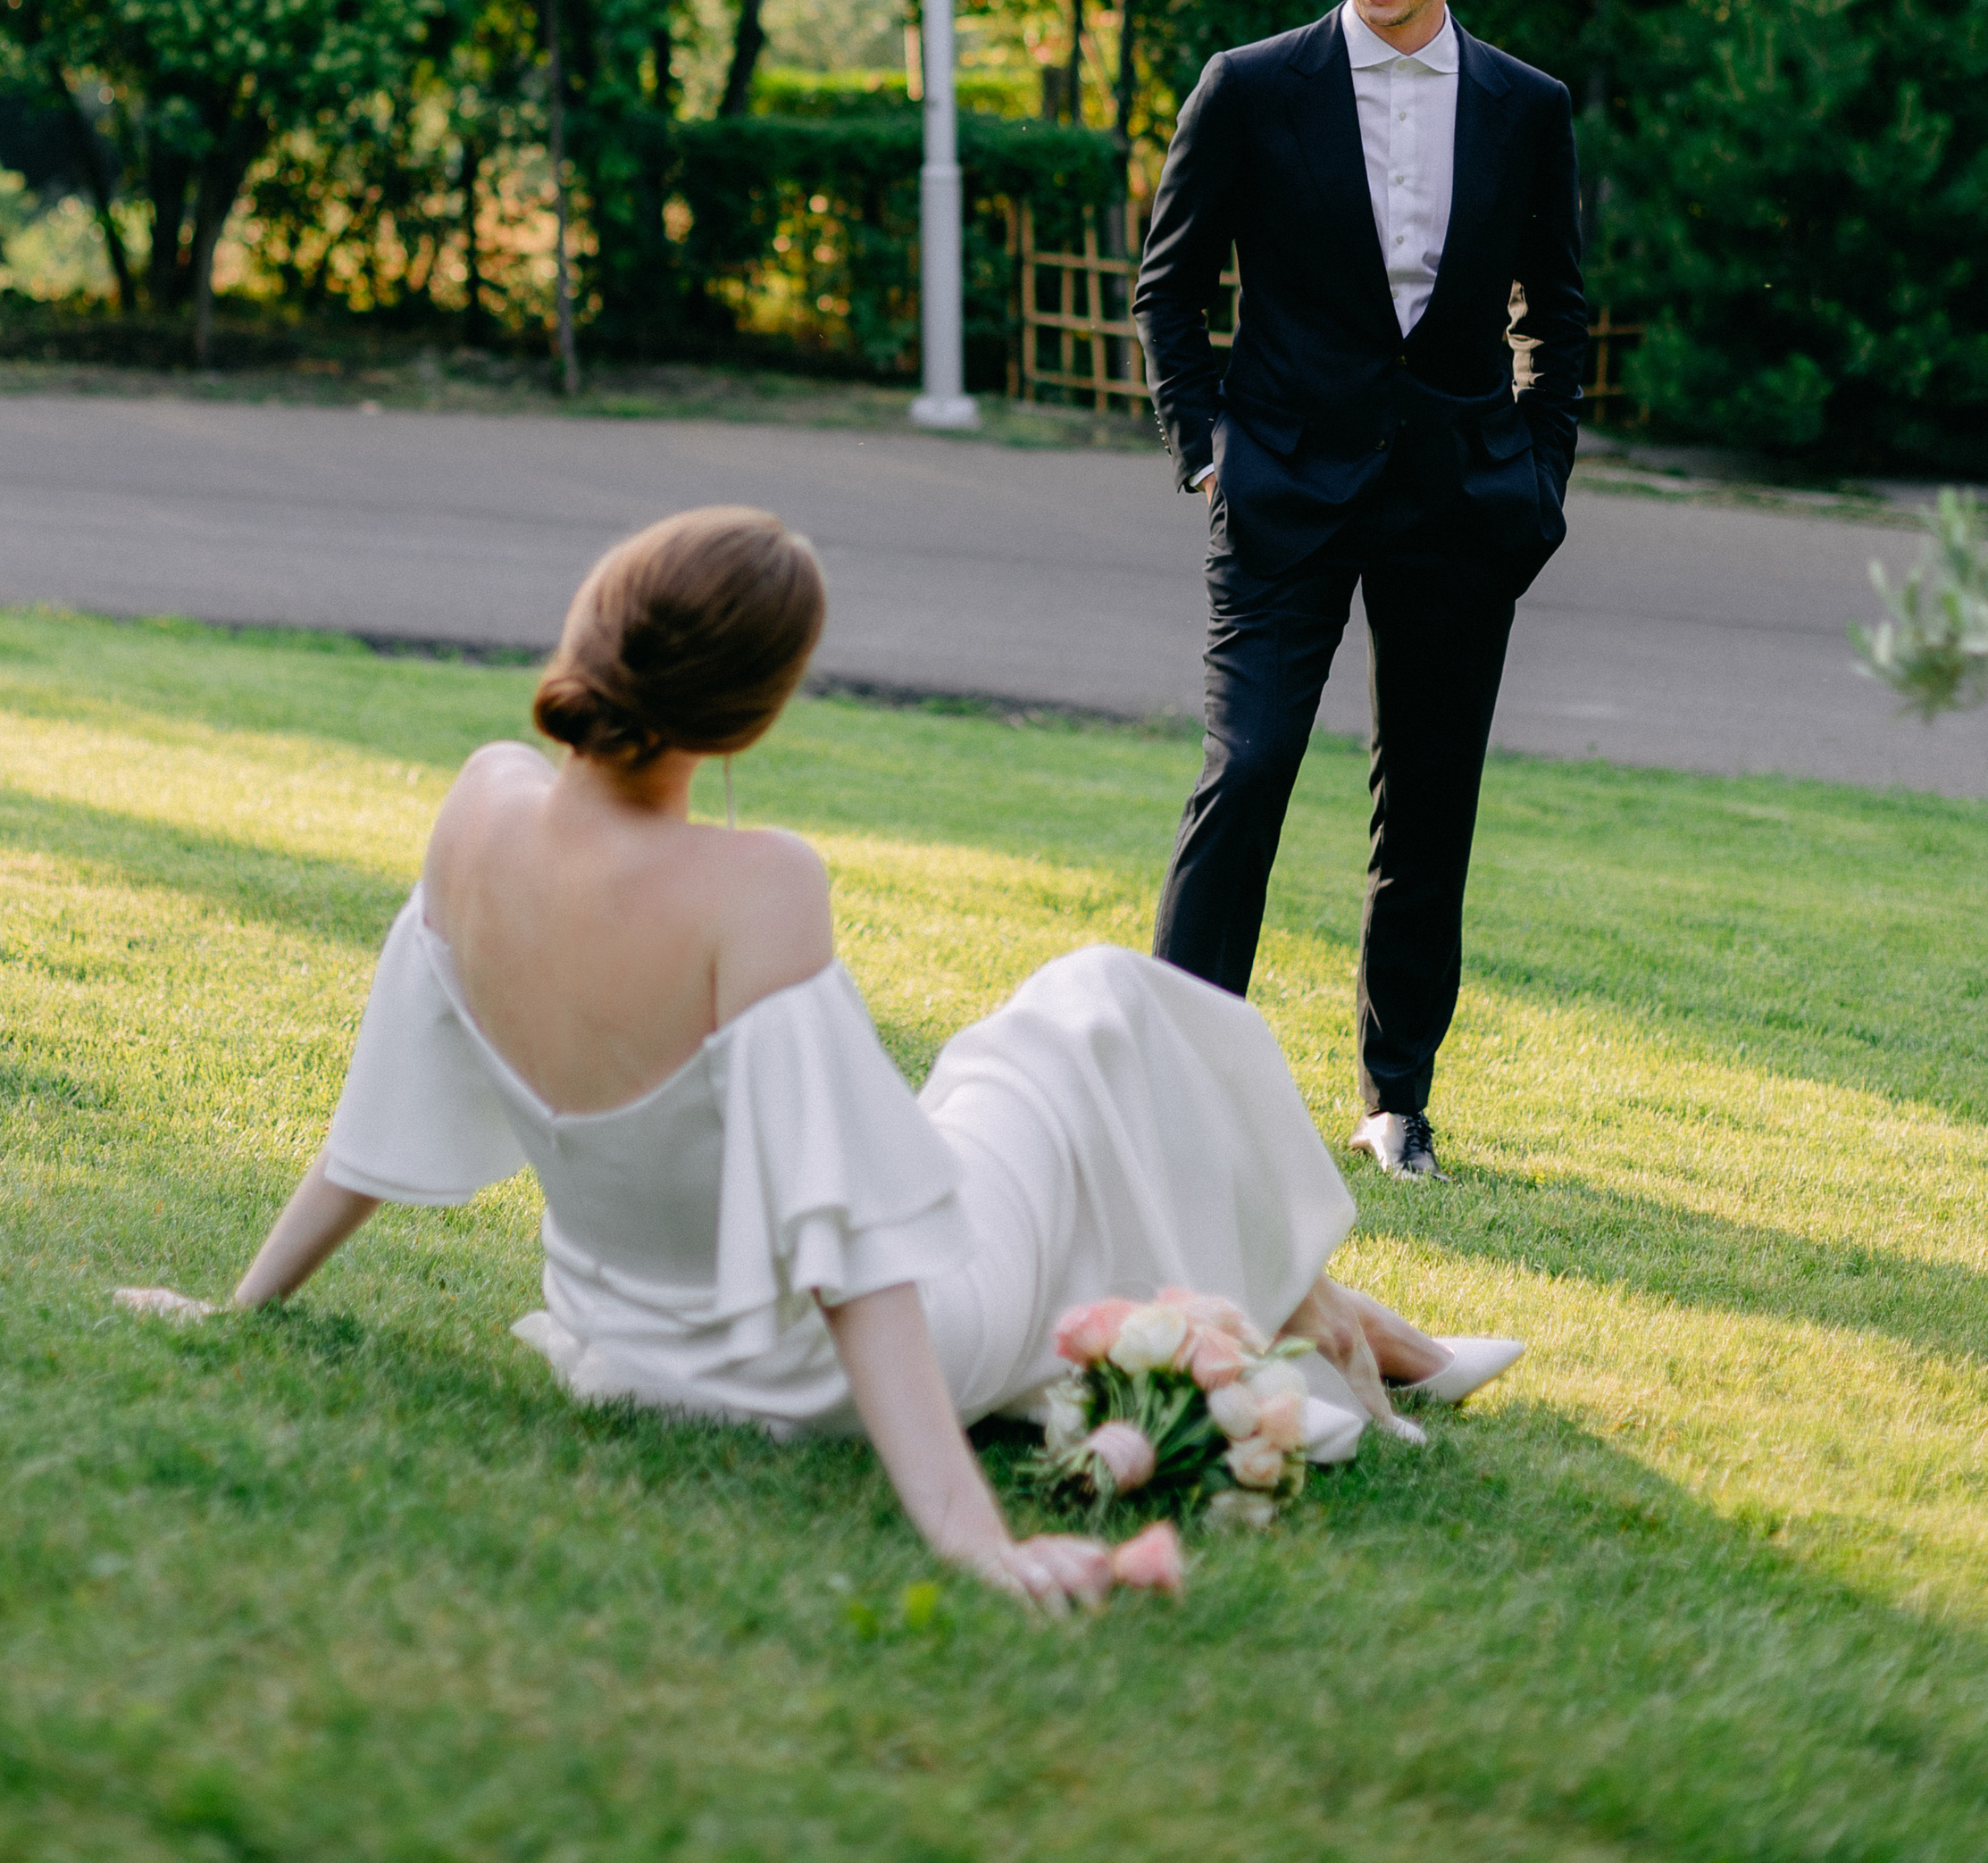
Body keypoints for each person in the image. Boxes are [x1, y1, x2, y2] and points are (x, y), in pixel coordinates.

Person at [117, 505, 1519, 1608]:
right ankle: (1347, 1321)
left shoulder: (479, 808)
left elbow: (374, 1124)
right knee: (1096, 1006)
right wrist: (969, 1534)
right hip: (813, 1362)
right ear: (756, 717)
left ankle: (1336, 1311)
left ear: (591, 627)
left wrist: (241, 1306)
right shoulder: (758, 886)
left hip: (637, 1341)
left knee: (1011, 1074)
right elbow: (852, 1250)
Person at [1133, 0, 1587, 1182]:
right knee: (1251, 767)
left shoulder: (1526, 105)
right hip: (1278, 488)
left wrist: (1538, 476)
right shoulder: (1252, 85)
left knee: (1429, 803)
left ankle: (1398, 1104)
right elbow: (1170, 283)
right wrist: (1204, 443)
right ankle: (1174, 1086)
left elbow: (1555, 314)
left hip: (1458, 501)